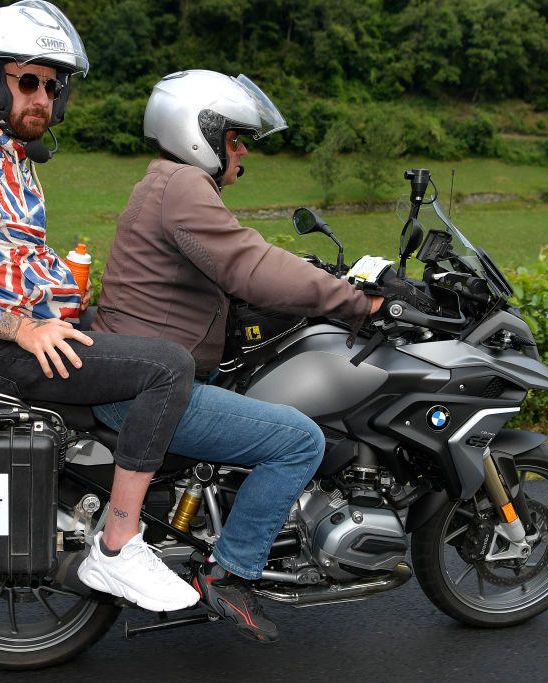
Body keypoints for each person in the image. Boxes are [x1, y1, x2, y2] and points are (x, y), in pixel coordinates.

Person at [0, 1, 199, 613]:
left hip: (23, 334)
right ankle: (119, 546)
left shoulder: (7, 155)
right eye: (28, 81)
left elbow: (5, 258)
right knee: (169, 368)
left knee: (159, 341)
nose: (42, 99)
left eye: (53, 87)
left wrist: (61, 292)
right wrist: (20, 327)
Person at [92, 70, 383, 642]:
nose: (242, 150)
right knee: (300, 441)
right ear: (196, 133)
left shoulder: (165, 182)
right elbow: (248, 265)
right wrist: (357, 303)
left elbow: (234, 254)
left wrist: (314, 276)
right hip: (149, 391)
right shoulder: (183, 184)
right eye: (234, 138)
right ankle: (232, 571)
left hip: (141, 374)